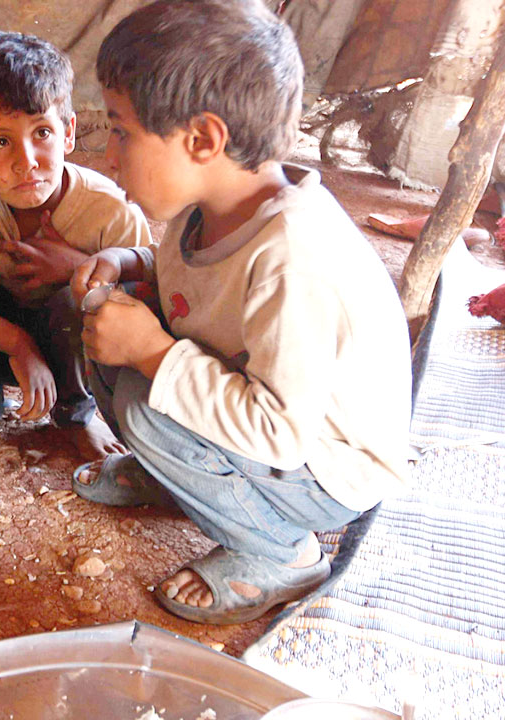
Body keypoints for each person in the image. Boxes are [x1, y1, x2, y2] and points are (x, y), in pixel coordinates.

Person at [72, 0, 412, 624]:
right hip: (265, 420)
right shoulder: (206, 210)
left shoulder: (294, 260)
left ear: (203, 139)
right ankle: (176, 476)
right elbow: (196, 282)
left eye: (121, 131)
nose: (110, 155)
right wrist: (128, 263)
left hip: (324, 470)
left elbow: (281, 431)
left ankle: (281, 554)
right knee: (103, 326)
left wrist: (151, 351)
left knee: (147, 406)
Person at [0, 31, 153, 463]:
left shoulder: (110, 209)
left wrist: (77, 268)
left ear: (69, 132)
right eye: (0, 142)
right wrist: (17, 343)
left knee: (80, 296)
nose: (27, 161)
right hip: (5, 350)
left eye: (42, 132)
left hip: (81, 355)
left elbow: (152, 297)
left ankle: (77, 411)